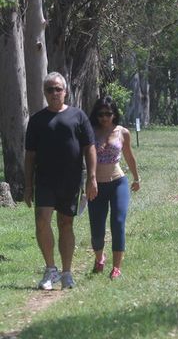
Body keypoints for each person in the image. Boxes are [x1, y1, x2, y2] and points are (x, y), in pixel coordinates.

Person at [24, 72, 98, 290]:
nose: (54, 93)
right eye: (50, 89)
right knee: (41, 220)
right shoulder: (37, 120)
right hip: (45, 180)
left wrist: (92, 177)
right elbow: (30, 154)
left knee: (66, 223)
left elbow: (89, 148)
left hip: (71, 180)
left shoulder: (78, 116)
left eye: (58, 89)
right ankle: (50, 270)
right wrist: (28, 185)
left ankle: (66, 273)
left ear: (65, 91)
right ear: (45, 93)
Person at [88, 97, 140, 279]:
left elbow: (129, 156)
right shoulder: (90, 132)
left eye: (108, 114)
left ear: (114, 114)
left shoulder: (123, 132)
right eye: (101, 114)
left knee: (118, 222)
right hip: (96, 185)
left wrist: (136, 178)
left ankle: (117, 267)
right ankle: (99, 258)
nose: (104, 118)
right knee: (97, 227)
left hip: (118, 182)